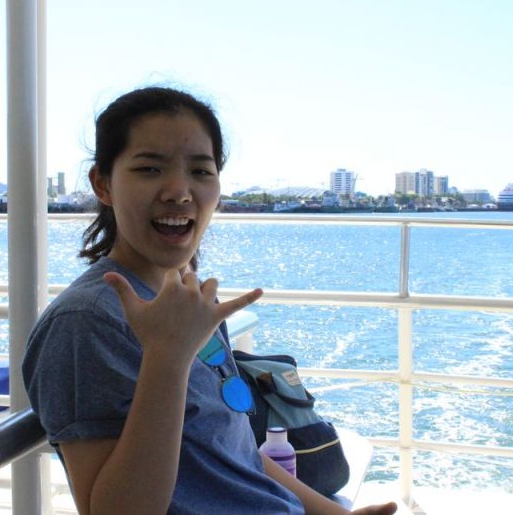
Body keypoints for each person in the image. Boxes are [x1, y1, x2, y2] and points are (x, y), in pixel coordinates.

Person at [22, 86, 397, 515]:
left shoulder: (189, 300)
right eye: (149, 168)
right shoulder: (86, 322)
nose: (179, 192)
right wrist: (167, 358)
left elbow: (236, 454)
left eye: (201, 171)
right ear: (103, 184)